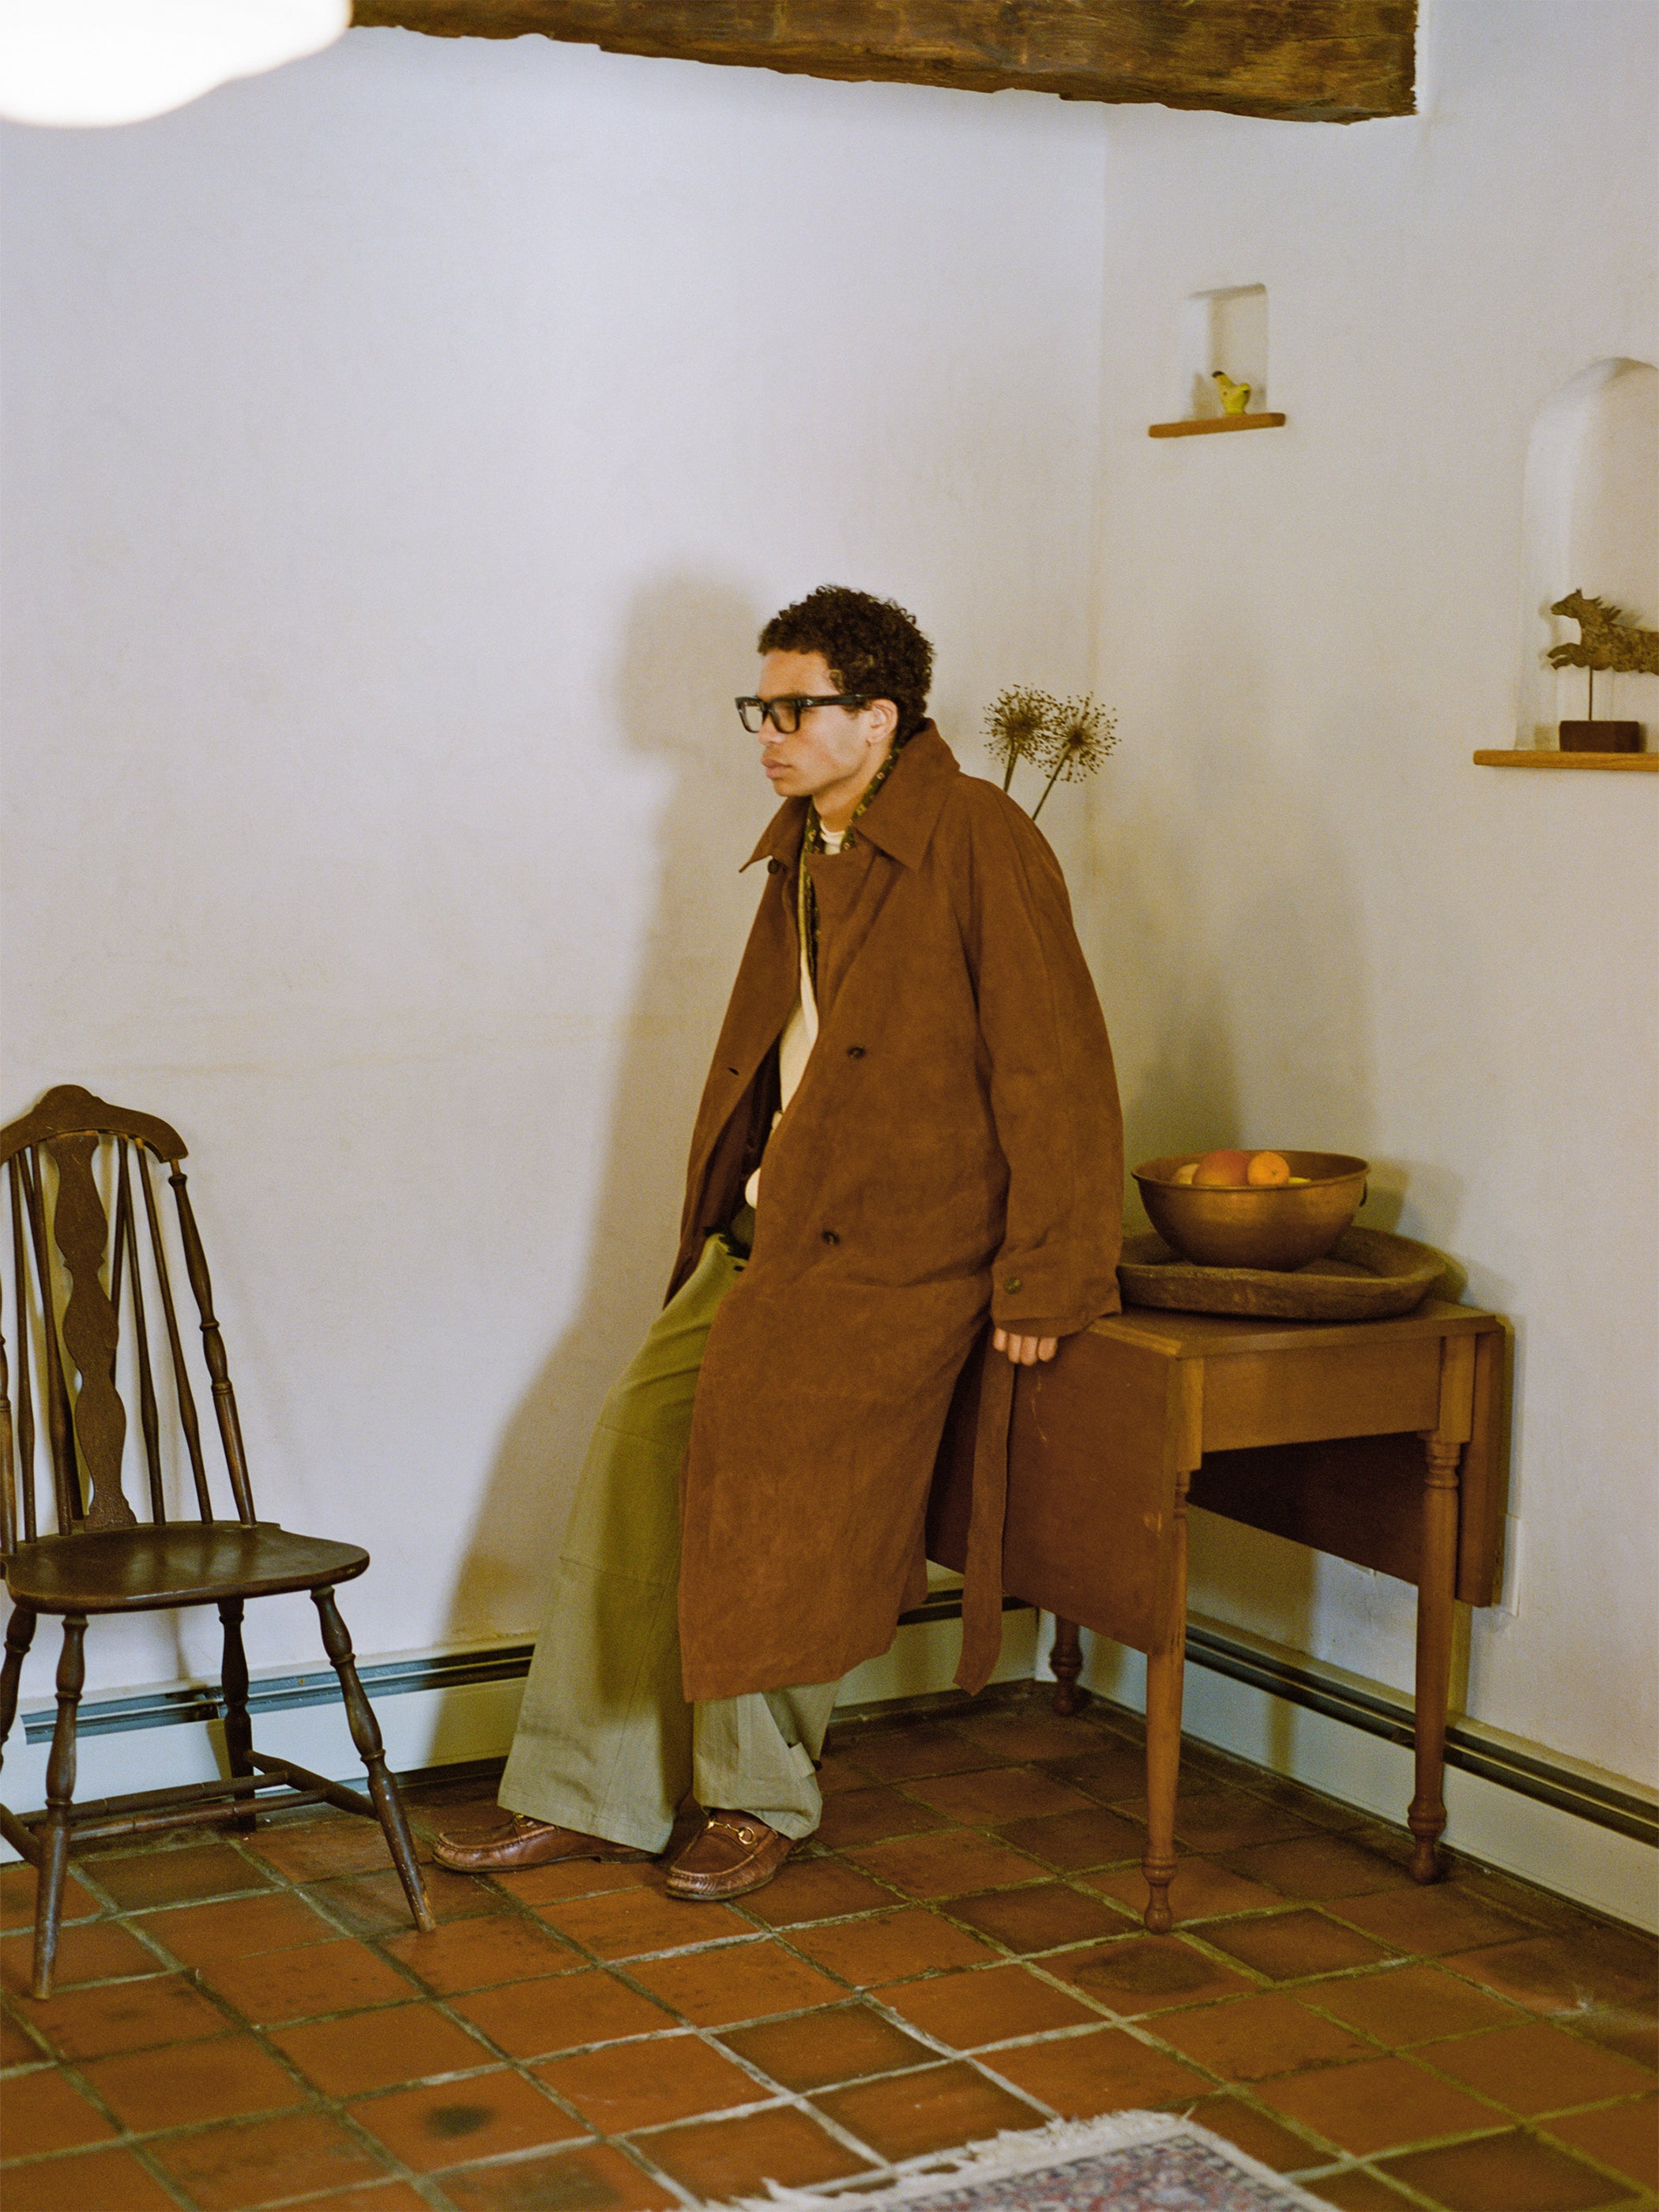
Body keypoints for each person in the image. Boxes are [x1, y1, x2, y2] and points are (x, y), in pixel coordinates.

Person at [434, 586, 1122, 1901]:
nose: (770, 732)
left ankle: (759, 1801)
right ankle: (593, 1789)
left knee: (777, 1508)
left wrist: (1048, 1270)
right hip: (767, 1232)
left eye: (797, 708)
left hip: (894, 1260)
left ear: (880, 716)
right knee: (636, 1461)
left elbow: (1059, 1072)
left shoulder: (980, 840)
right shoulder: (812, 842)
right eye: (764, 707)